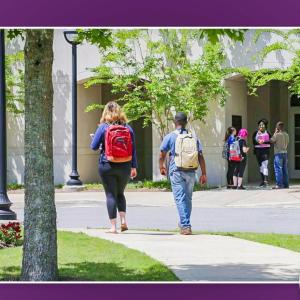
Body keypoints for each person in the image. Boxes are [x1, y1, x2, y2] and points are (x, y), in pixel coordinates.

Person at [90, 101, 137, 233]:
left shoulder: (103, 127)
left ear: (105, 112)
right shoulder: (128, 128)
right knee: (120, 193)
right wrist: (134, 166)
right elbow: (133, 149)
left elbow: (93, 146)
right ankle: (124, 221)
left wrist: (96, 141)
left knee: (110, 195)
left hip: (107, 165)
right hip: (125, 165)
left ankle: (112, 227)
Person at [159, 112, 207, 235]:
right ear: (186, 122)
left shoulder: (170, 136)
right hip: (191, 171)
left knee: (180, 198)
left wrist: (162, 166)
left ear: (175, 122)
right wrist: (204, 173)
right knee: (188, 198)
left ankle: (185, 225)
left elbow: (162, 154)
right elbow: (200, 155)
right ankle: (184, 223)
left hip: (177, 170)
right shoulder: (193, 137)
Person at [252, 119, 272, 187]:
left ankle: (266, 181)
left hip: (265, 150)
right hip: (258, 151)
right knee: (261, 166)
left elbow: (270, 142)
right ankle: (262, 181)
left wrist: (264, 142)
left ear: (265, 126)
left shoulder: (268, 133)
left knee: (265, 165)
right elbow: (254, 142)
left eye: (262, 125)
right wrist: (258, 142)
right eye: (260, 125)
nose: (261, 126)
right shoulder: (255, 133)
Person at [270, 121, 289, 189]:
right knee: (285, 169)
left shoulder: (277, 134)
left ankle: (279, 185)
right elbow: (287, 143)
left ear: (278, 127)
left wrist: (275, 132)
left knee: (278, 169)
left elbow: (271, 140)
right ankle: (286, 185)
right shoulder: (286, 134)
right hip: (285, 153)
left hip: (278, 153)